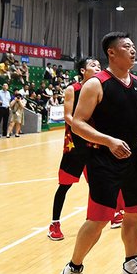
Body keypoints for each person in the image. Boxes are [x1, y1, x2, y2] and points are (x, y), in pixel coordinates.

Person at [58, 33, 137, 274]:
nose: (133, 50)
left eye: (133, 45)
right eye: (127, 46)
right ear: (111, 53)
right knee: (99, 218)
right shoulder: (96, 84)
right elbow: (77, 123)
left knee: (135, 211)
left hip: (132, 156)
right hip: (103, 158)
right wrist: (109, 141)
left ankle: (131, 266)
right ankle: (72, 271)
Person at [48, 57, 101, 241]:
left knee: (99, 182)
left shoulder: (99, 88)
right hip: (76, 145)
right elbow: (68, 117)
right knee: (64, 186)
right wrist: (84, 129)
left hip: (94, 143)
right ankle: (54, 223)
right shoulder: (73, 89)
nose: (97, 68)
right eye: (93, 65)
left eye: (99, 66)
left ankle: (105, 215)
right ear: (82, 71)